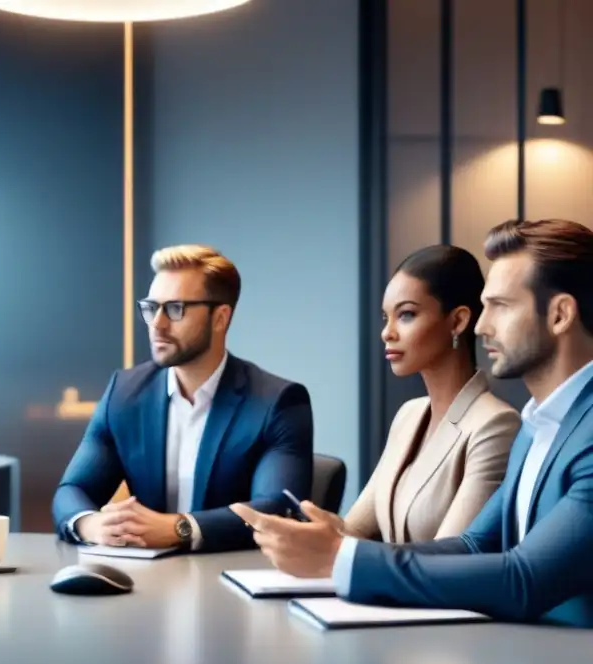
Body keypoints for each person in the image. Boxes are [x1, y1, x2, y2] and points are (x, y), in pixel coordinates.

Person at [233, 219, 593, 627]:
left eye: (501, 306)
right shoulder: (538, 424)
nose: (481, 325)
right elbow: (474, 546)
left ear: (561, 315)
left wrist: (340, 558)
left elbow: (524, 578)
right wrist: (338, 550)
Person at [53, 245, 313, 553]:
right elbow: (73, 489)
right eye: (152, 308)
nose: (157, 324)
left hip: (233, 580)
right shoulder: (124, 392)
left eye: (175, 309)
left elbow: (274, 509)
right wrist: (90, 524)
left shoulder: (278, 402)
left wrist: (180, 527)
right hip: (144, 580)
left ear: (220, 317)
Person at [339, 245, 520, 542]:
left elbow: (447, 559)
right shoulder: (409, 415)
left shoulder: (495, 425)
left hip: (435, 588)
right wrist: (309, 529)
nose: (388, 332)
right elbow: (353, 531)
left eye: (406, 314)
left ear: (458, 321)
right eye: (387, 318)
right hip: (380, 586)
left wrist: (336, 548)